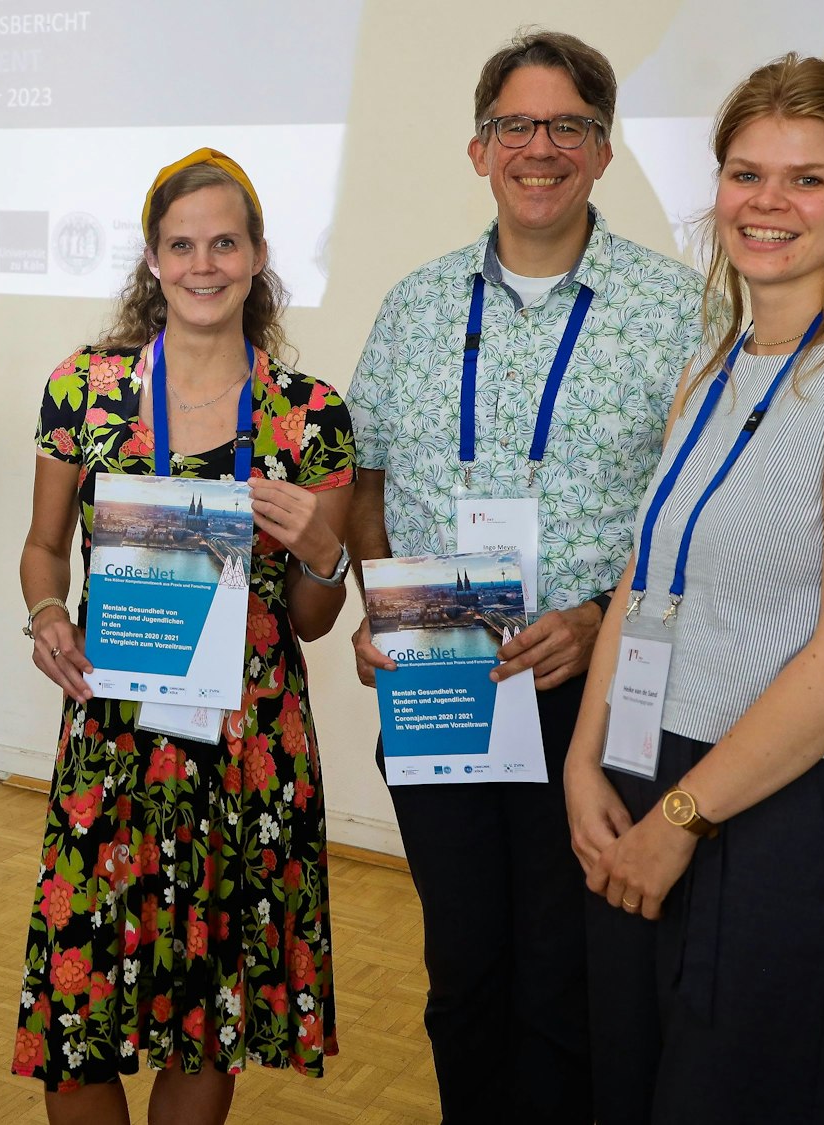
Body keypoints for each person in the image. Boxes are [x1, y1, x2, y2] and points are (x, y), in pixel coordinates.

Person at [565, 54, 824, 1124]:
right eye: (746, 174)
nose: (767, 203)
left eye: (806, 178)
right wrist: (584, 757)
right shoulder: (714, 370)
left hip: (783, 816)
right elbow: (644, 578)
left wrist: (679, 820)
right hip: (647, 780)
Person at [343, 30, 705, 1124]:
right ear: (477, 148)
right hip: (439, 682)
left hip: (591, 695)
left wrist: (595, 619)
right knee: (463, 968)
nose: (537, 148)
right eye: (513, 125)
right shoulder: (414, 306)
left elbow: (698, 516)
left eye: (566, 127)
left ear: (603, 149)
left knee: (567, 978)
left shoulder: (678, 311)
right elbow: (364, 476)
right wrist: (383, 606)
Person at [12, 148, 355, 1124]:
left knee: (210, 1015)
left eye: (224, 244)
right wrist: (47, 614)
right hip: (113, 735)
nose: (203, 265)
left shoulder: (308, 415)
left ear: (257, 256)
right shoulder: (85, 389)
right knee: (75, 1014)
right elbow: (43, 547)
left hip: (248, 745)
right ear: (153, 259)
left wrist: (323, 552)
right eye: (181, 245)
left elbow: (311, 618)